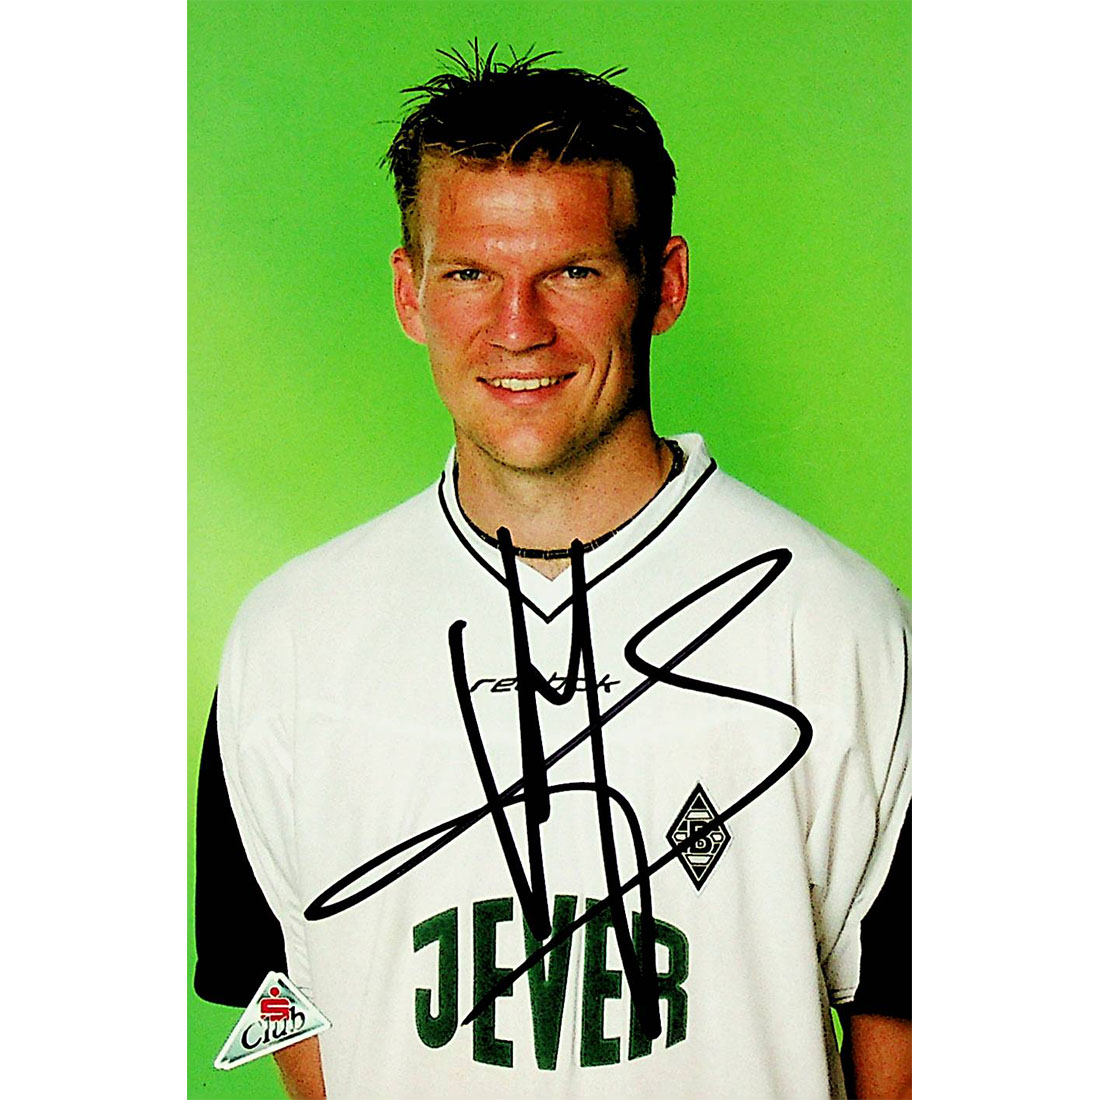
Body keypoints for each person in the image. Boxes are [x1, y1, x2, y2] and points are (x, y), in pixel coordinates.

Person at [195, 47, 911, 1100]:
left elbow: (908, 1011)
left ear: (661, 284)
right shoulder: (291, 636)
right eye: (469, 274)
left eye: (572, 271)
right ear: (409, 293)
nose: (517, 328)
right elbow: (270, 981)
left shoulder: (842, 625)